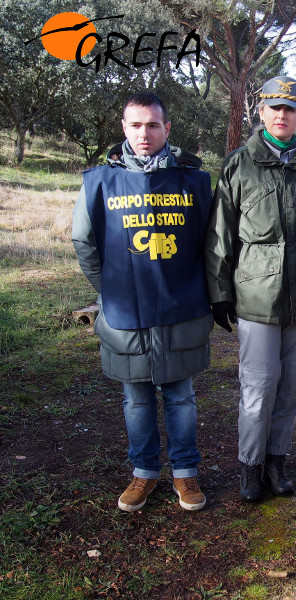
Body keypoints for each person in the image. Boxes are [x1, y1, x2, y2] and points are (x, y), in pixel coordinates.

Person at [72, 91, 213, 512]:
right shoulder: (99, 181)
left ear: (167, 128)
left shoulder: (194, 180)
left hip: (181, 306)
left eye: (153, 125)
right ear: (124, 128)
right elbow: (84, 240)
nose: (144, 133)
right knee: (135, 398)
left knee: (181, 396)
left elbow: (212, 242)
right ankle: (144, 473)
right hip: (125, 313)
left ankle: (186, 474)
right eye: (136, 125)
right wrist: (108, 288)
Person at [205, 76, 296, 503]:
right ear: (260, 112)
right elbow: (220, 235)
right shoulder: (238, 165)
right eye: (274, 108)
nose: (282, 116)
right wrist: (219, 292)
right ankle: (250, 466)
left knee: (290, 388)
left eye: (291, 109)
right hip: (256, 299)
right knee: (258, 387)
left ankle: (277, 460)